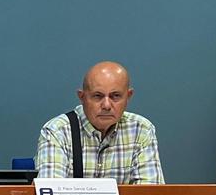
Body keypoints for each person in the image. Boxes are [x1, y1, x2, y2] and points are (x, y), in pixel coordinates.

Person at [36, 61, 164, 184]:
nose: (106, 105)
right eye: (97, 96)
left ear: (128, 96)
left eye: (115, 96)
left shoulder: (141, 130)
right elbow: (50, 194)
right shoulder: (57, 132)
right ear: (82, 97)